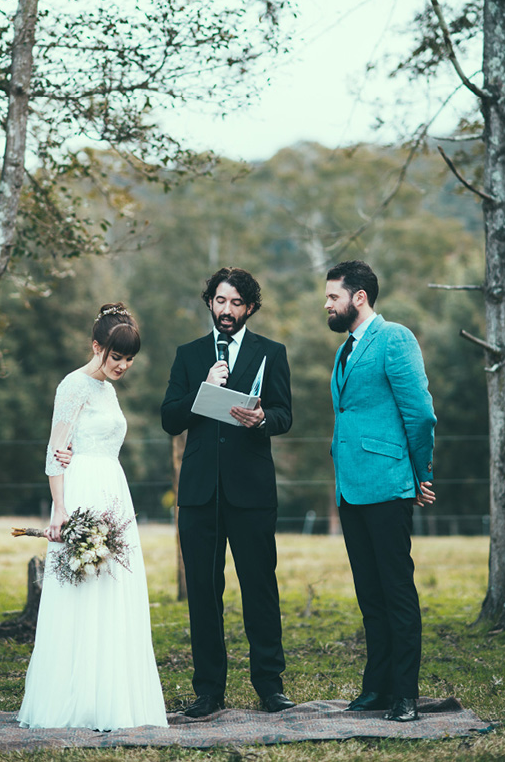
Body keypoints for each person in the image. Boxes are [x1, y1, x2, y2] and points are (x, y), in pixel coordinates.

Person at [18, 304, 168, 731]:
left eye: (129, 359)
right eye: (116, 356)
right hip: (81, 492)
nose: (123, 366)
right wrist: (61, 510)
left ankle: (112, 696)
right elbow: (55, 451)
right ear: (96, 346)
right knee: (82, 589)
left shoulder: (108, 390)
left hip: (112, 492)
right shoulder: (73, 386)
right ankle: (77, 699)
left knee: (113, 589)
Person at [161, 267, 295, 718]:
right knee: (203, 592)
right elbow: (169, 418)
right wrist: (205, 389)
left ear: (249, 308)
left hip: (252, 493)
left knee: (260, 589)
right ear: (210, 303)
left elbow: (284, 414)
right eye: (220, 301)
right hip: (200, 494)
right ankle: (208, 691)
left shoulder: (271, 352)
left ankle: (270, 686)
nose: (227, 310)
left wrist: (264, 419)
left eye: (236, 303)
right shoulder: (189, 355)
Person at [324, 260, 437, 723]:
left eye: (333, 296)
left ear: (360, 297)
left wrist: (420, 473)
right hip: (351, 489)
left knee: (396, 592)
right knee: (370, 596)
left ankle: (405, 695)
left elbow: (420, 413)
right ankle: (377, 687)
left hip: (389, 485)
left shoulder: (395, 338)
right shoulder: (345, 350)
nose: (327, 304)